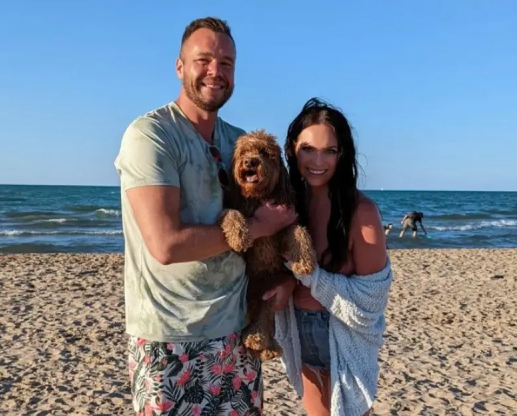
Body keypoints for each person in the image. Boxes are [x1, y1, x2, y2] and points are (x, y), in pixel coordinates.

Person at [113, 17, 298, 415]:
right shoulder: (151, 135)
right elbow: (165, 244)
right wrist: (259, 226)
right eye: (204, 60)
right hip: (168, 336)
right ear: (180, 66)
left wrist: (284, 280)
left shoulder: (239, 142)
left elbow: (279, 218)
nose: (216, 72)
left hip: (238, 329)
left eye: (227, 63)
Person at [274, 98, 393, 416]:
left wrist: (311, 276)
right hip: (297, 331)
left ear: (343, 155)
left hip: (340, 334)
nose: (318, 161)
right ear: (292, 149)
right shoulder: (287, 206)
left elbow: (370, 302)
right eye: (308, 149)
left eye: (330, 151)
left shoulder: (361, 212)